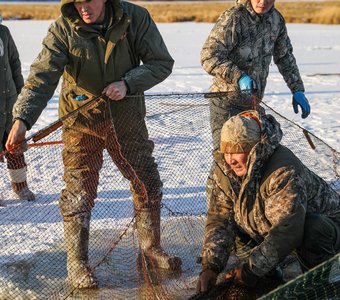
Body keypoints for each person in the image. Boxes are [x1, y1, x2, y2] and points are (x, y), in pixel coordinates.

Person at [5, 0, 181, 289]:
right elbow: (42, 77)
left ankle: (151, 248)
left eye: (90, 1)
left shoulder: (134, 18)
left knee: (147, 181)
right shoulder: (63, 29)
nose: (83, 8)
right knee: (79, 192)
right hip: (81, 120)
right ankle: (77, 263)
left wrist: (128, 83)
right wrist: (22, 120)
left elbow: (161, 63)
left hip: (126, 115)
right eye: (77, 2)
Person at [196, 110, 340, 292]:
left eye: (239, 150)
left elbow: (287, 231)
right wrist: (210, 266)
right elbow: (220, 219)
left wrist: (249, 271)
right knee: (237, 223)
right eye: (227, 151)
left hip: (330, 230)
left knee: (312, 227)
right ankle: (268, 279)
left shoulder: (283, 172)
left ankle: (319, 285)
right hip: (275, 229)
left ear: (255, 148)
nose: (231, 159)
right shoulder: (226, 170)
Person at [201, 0, 311, 154]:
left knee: (254, 156)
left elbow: (284, 56)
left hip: (252, 102)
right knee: (227, 157)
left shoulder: (276, 20)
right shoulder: (234, 17)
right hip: (226, 101)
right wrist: (239, 77)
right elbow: (209, 56)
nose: (263, 2)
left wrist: (297, 89)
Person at [0, 17, 35, 201]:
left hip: (10, 102)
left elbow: (14, 63)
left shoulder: (4, 32)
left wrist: (21, 94)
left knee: (14, 146)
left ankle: (20, 186)